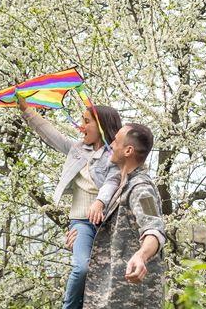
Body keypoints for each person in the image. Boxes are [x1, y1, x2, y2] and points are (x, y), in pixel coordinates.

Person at [17, 96, 122, 309]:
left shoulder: (114, 156)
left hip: (108, 223)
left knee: (107, 275)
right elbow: (52, 135)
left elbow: (112, 181)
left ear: (101, 126)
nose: (80, 126)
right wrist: (27, 111)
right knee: (82, 267)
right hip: (82, 223)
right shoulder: (77, 150)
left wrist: (100, 202)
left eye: (86, 121)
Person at [66, 123, 166, 308]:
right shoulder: (119, 187)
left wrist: (141, 256)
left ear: (128, 150)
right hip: (105, 296)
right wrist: (81, 244)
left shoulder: (141, 189)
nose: (110, 145)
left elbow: (154, 230)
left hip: (130, 299)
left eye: (116, 141)